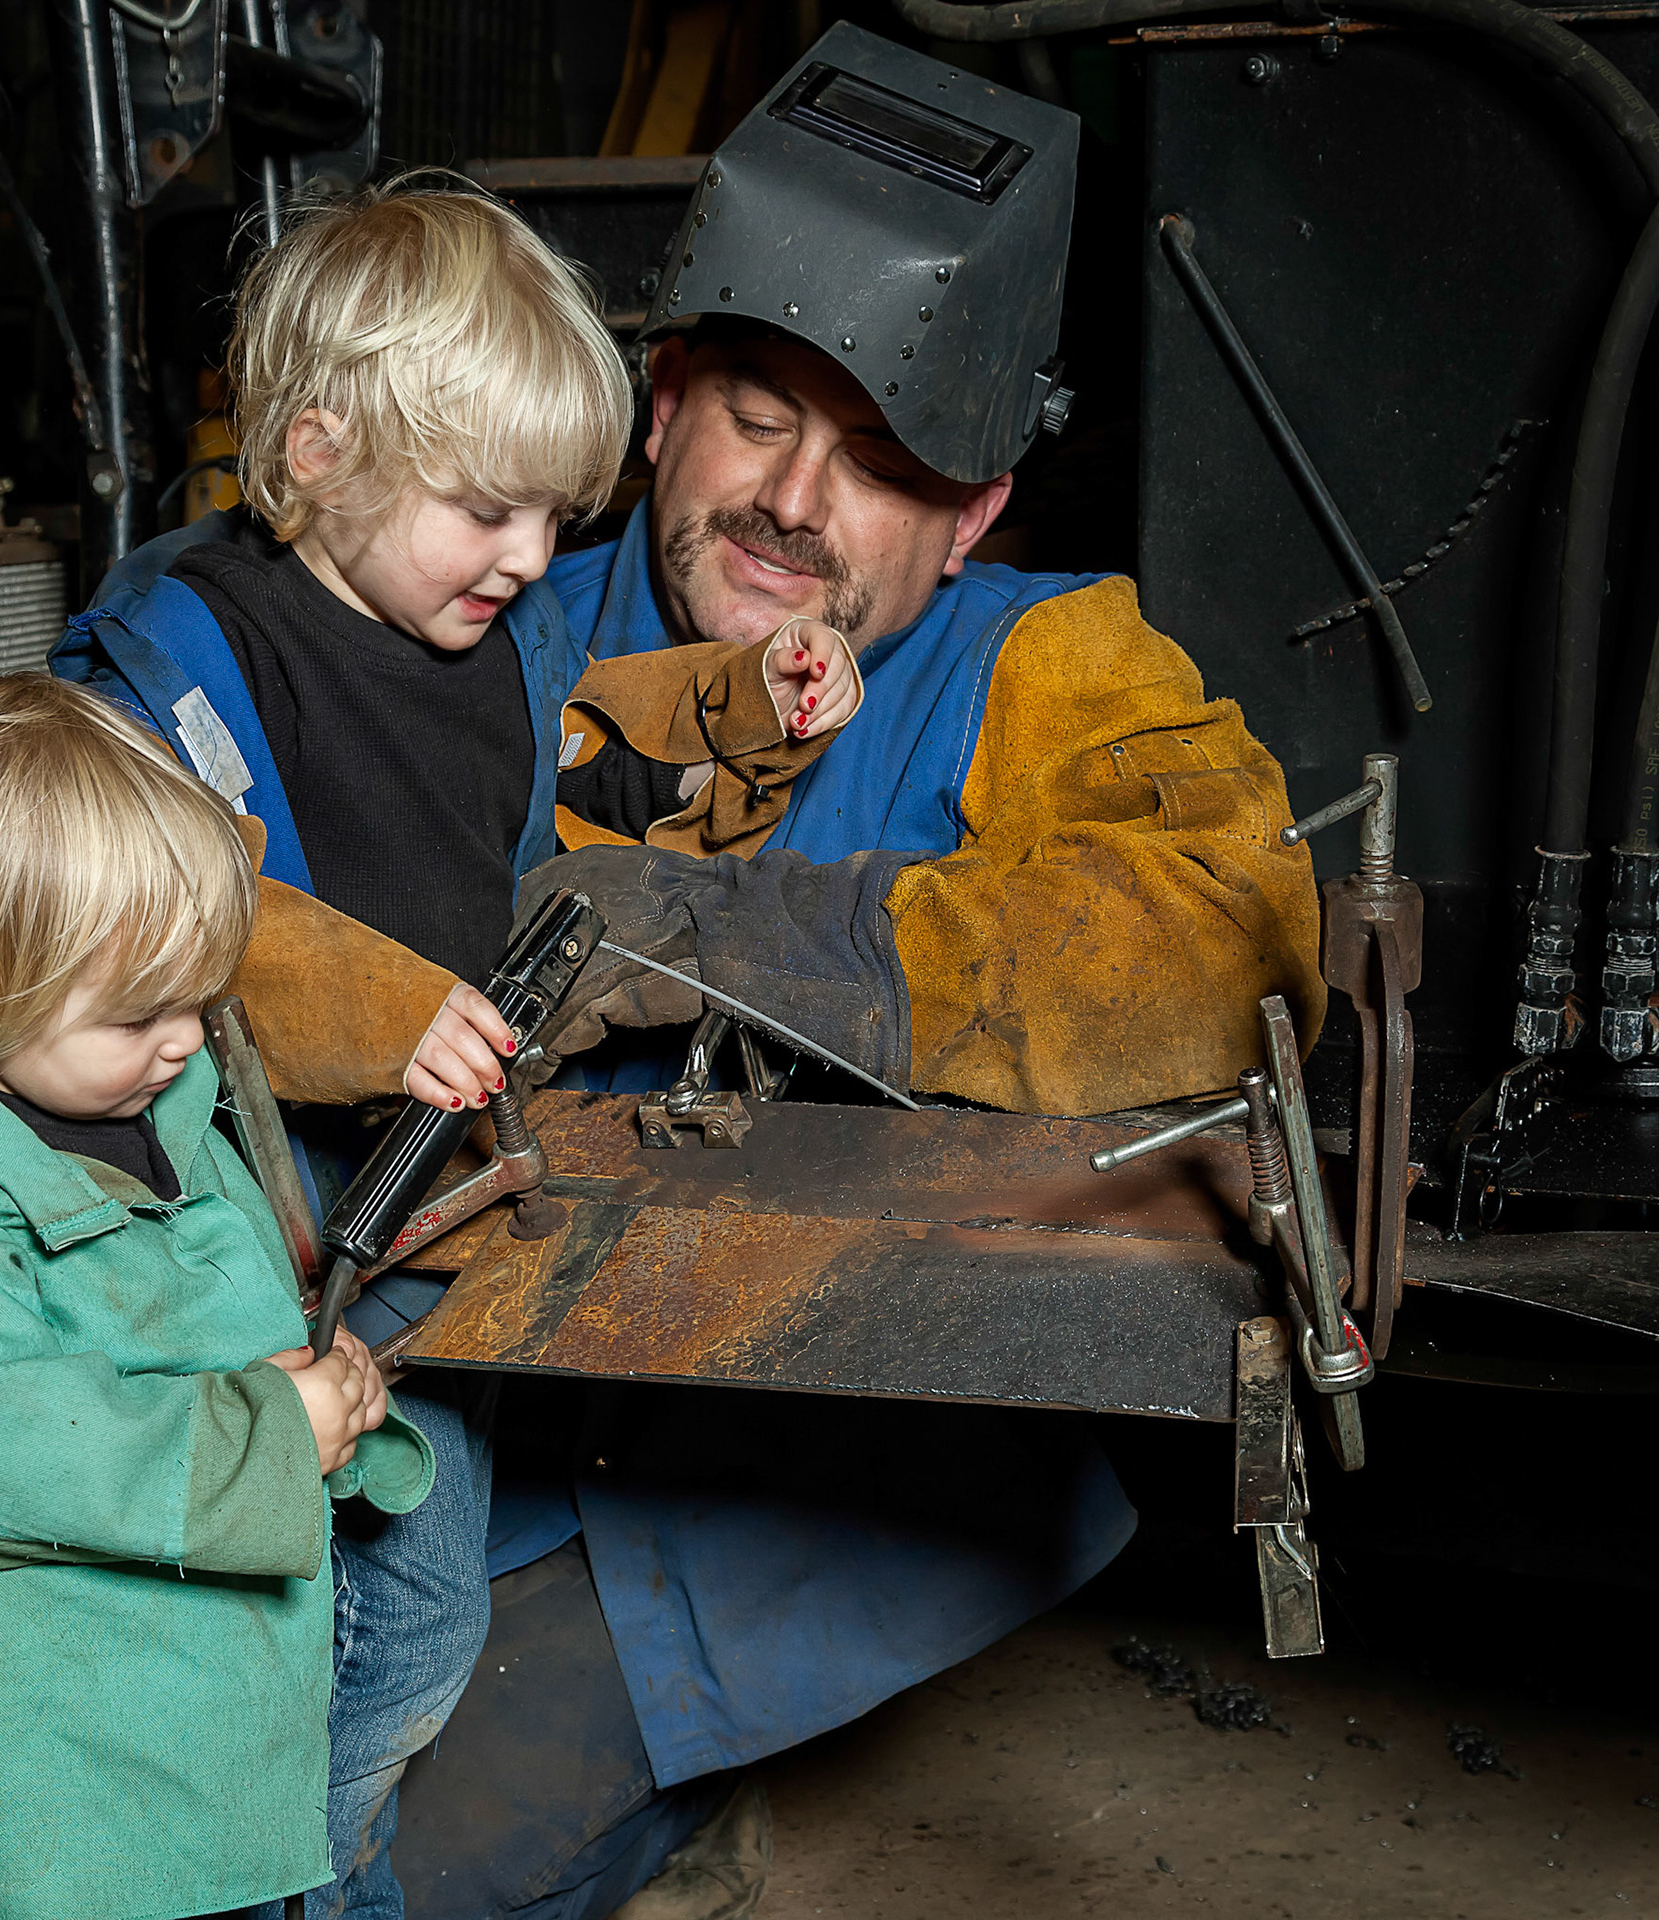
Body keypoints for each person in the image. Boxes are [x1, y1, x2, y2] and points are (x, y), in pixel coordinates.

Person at [371, 26, 1328, 1920]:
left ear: (972, 517)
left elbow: (1228, 934)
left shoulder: (1045, 663)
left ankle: (670, 1788)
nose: (799, 504)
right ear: (662, 409)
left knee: (402, 1862)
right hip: (464, 1396)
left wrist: (738, 934)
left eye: (884, 467)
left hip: (821, 1459)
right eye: (760, 416)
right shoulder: (483, 613)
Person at [51, 174, 862, 1920]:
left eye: (552, 521)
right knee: (314, 1610)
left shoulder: (481, 625)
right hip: (225, 1246)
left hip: (417, 1220)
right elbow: (158, 917)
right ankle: (292, 1890)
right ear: (323, 449)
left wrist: (746, 696)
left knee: (417, 1609)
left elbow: (589, 740)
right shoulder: (180, 645)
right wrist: (368, 1004)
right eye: (488, 508)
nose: (523, 555)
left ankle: (309, 1874)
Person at [0, 676, 429, 1920]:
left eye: (199, 994)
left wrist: (318, 1383)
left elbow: (227, 1314)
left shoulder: (158, 1111)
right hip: (54, 1817)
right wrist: (265, 1437)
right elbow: (14, 1460)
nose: (185, 1039)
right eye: (140, 1012)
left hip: (183, 1739)